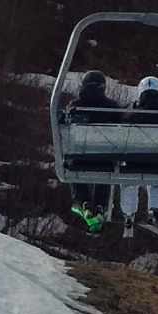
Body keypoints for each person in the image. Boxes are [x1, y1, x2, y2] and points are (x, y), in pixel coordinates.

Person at [120, 77, 158, 230]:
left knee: (129, 182)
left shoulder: (132, 112)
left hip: (133, 161)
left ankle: (128, 213)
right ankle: (156, 210)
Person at [69, 70, 116, 232]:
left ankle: (83, 201)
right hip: (104, 157)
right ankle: (100, 205)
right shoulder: (112, 107)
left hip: (79, 157)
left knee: (73, 166)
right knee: (105, 170)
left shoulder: (75, 105)